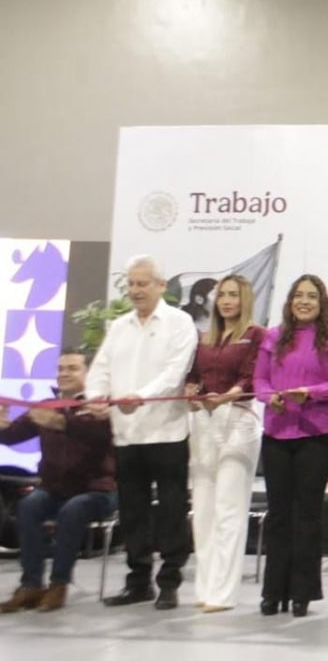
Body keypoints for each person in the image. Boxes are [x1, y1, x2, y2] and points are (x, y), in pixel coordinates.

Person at [86, 254, 197, 611]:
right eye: (131, 284)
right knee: (133, 511)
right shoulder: (119, 326)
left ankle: (169, 582)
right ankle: (138, 582)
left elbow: (175, 372)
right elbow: (100, 368)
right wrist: (95, 398)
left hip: (166, 432)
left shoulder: (180, 323)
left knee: (171, 510)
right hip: (127, 433)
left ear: (161, 285)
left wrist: (141, 396)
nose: (135, 290)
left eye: (142, 284)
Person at [254, 274, 328, 618]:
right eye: (299, 295)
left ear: (321, 302)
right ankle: (273, 591)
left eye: (311, 296)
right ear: (290, 301)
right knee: (279, 514)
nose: (304, 301)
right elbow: (259, 379)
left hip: (316, 435)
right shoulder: (273, 337)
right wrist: (269, 397)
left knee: (306, 514)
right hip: (277, 433)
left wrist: (310, 393)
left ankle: (302, 592)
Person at [0, 349, 116, 612]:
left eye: (72, 368)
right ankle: (30, 585)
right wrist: (2, 426)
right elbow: (12, 436)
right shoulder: (46, 406)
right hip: (54, 489)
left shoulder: (101, 407)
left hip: (98, 490)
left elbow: (98, 436)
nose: (64, 374)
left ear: (90, 374)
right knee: (29, 505)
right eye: (61, 369)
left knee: (73, 510)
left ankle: (59, 584)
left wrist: (59, 422)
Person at [185, 275, 264, 612]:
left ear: (245, 299)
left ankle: (223, 593)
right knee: (203, 509)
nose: (227, 301)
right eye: (222, 295)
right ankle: (205, 588)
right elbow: (193, 376)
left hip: (238, 420)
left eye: (234, 295)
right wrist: (191, 391)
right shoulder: (204, 337)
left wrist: (229, 396)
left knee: (229, 508)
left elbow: (252, 377)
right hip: (203, 420)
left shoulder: (256, 334)